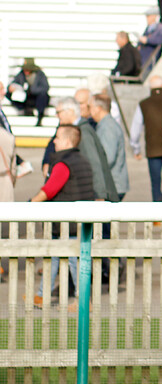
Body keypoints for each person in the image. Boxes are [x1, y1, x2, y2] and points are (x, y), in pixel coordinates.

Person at [30, 125, 95, 308]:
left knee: (73, 262)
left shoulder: (63, 163)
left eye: (57, 138)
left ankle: (82, 301)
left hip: (67, 222)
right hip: (78, 220)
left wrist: (32, 203)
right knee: (54, 257)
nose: (54, 141)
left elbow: (49, 190)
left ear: (67, 141)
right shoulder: (82, 160)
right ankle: (42, 295)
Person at [47, 97, 118, 202]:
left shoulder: (83, 133)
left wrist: (99, 196)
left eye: (58, 112)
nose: (57, 115)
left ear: (70, 111)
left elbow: (94, 164)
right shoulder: (76, 130)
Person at [90, 94, 128, 200]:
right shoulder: (105, 124)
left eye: (90, 107)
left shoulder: (108, 127)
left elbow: (107, 157)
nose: (89, 111)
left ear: (98, 108)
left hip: (113, 185)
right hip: (112, 184)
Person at [6, 58, 49, 126]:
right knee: (8, 94)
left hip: (36, 97)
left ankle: (40, 116)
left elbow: (45, 88)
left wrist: (32, 90)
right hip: (25, 97)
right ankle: (23, 108)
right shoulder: (21, 74)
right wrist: (12, 87)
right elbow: (14, 83)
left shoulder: (40, 75)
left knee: (43, 96)